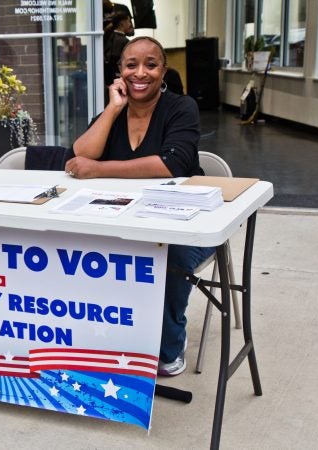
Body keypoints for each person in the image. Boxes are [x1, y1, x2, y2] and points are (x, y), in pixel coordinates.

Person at [65, 36, 215, 376]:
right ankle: (111, 337)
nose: (140, 73)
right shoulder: (112, 113)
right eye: (131, 65)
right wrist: (113, 108)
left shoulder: (181, 107)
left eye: (151, 64)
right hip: (126, 218)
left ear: (163, 71)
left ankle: (168, 346)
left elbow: (172, 164)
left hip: (186, 222)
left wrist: (100, 170)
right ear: (120, 71)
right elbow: (81, 154)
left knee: (169, 254)